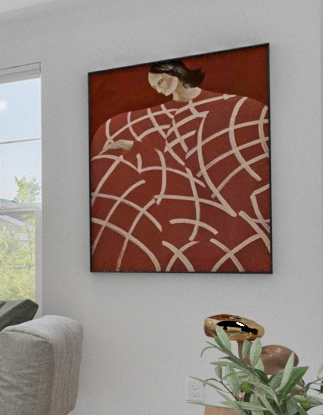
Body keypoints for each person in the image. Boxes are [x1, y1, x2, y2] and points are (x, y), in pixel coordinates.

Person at [91, 59, 270, 272]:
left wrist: (139, 150)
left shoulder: (243, 111)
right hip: (164, 227)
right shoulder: (122, 125)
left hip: (223, 230)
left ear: (176, 74)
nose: (158, 89)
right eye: (154, 86)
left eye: (162, 82)